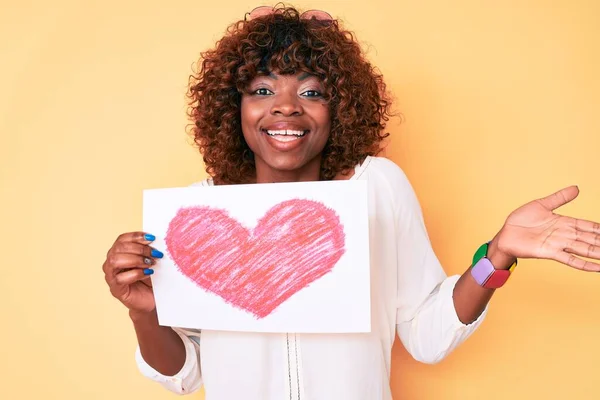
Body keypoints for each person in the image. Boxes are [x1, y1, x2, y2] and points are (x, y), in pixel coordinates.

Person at [102, 5, 600, 399]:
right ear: (233, 107)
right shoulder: (196, 215)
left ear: (339, 107)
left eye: (312, 91)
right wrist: (144, 313)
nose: (286, 105)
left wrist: (496, 257)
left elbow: (426, 337)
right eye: (261, 88)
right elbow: (185, 375)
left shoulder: (378, 186)